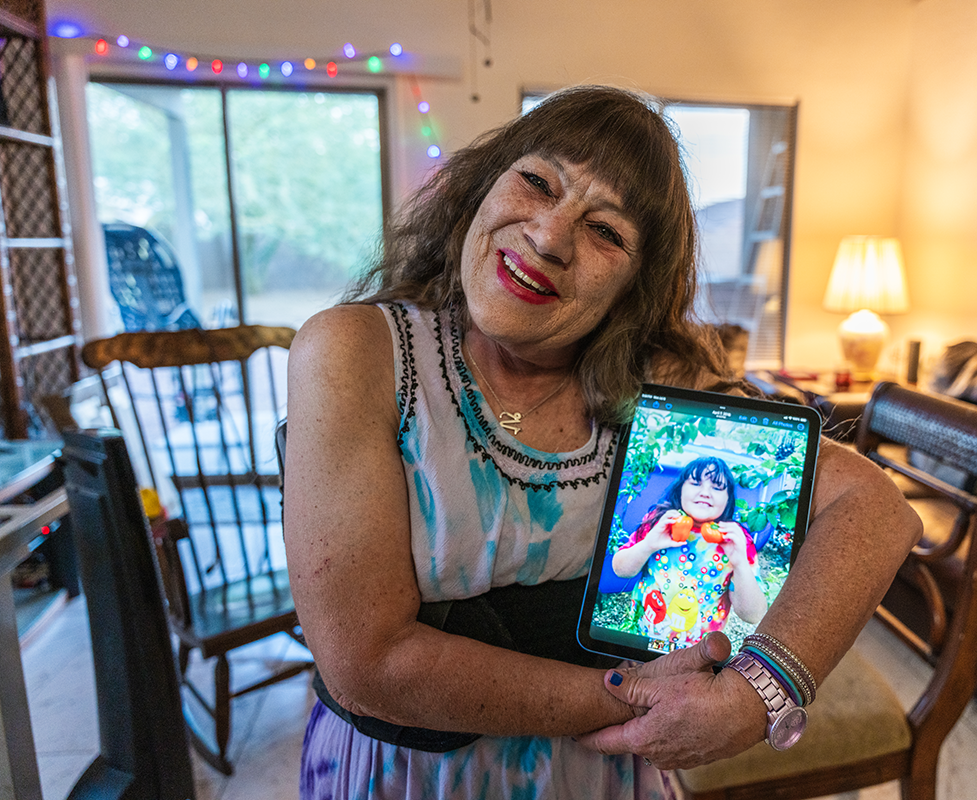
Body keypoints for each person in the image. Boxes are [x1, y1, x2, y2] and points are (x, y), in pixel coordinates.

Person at [283, 84, 921, 800]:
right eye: (536, 182)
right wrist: (642, 705)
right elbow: (367, 662)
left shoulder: (660, 383)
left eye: (606, 233)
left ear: (633, 288)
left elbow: (876, 508)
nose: (550, 237)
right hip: (405, 780)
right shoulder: (357, 352)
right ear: (478, 189)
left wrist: (756, 693)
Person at [611, 456, 766, 645]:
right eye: (695, 483)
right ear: (680, 489)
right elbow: (620, 570)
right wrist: (648, 544)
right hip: (642, 636)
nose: (705, 492)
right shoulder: (660, 521)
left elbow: (753, 615)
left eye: (717, 487)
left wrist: (740, 562)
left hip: (696, 651)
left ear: (728, 499)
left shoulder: (736, 540)